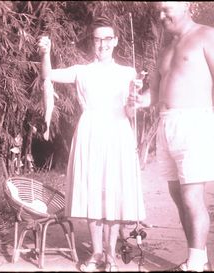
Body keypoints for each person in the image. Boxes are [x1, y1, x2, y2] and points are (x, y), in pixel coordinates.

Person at [38, 16, 146, 272]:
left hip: (118, 131)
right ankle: (96, 253)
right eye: (97, 39)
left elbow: (131, 113)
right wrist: (46, 52)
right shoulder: (81, 71)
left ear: (116, 41)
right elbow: (47, 75)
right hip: (89, 132)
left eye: (107, 39)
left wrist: (134, 99)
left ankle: (111, 255)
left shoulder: (128, 73)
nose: (102, 44)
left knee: (113, 192)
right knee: (93, 191)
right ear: (92, 42)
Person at [134, 2, 214, 272]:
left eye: (166, 9)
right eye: (158, 10)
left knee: (192, 196)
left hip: (194, 122)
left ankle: (196, 262)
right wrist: (138, 98)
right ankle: (198, 259)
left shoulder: (206, 35)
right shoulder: (165, 50)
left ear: (187, 5)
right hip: (166, 125)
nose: (161, 15)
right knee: (177, 195)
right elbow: (153, 97)